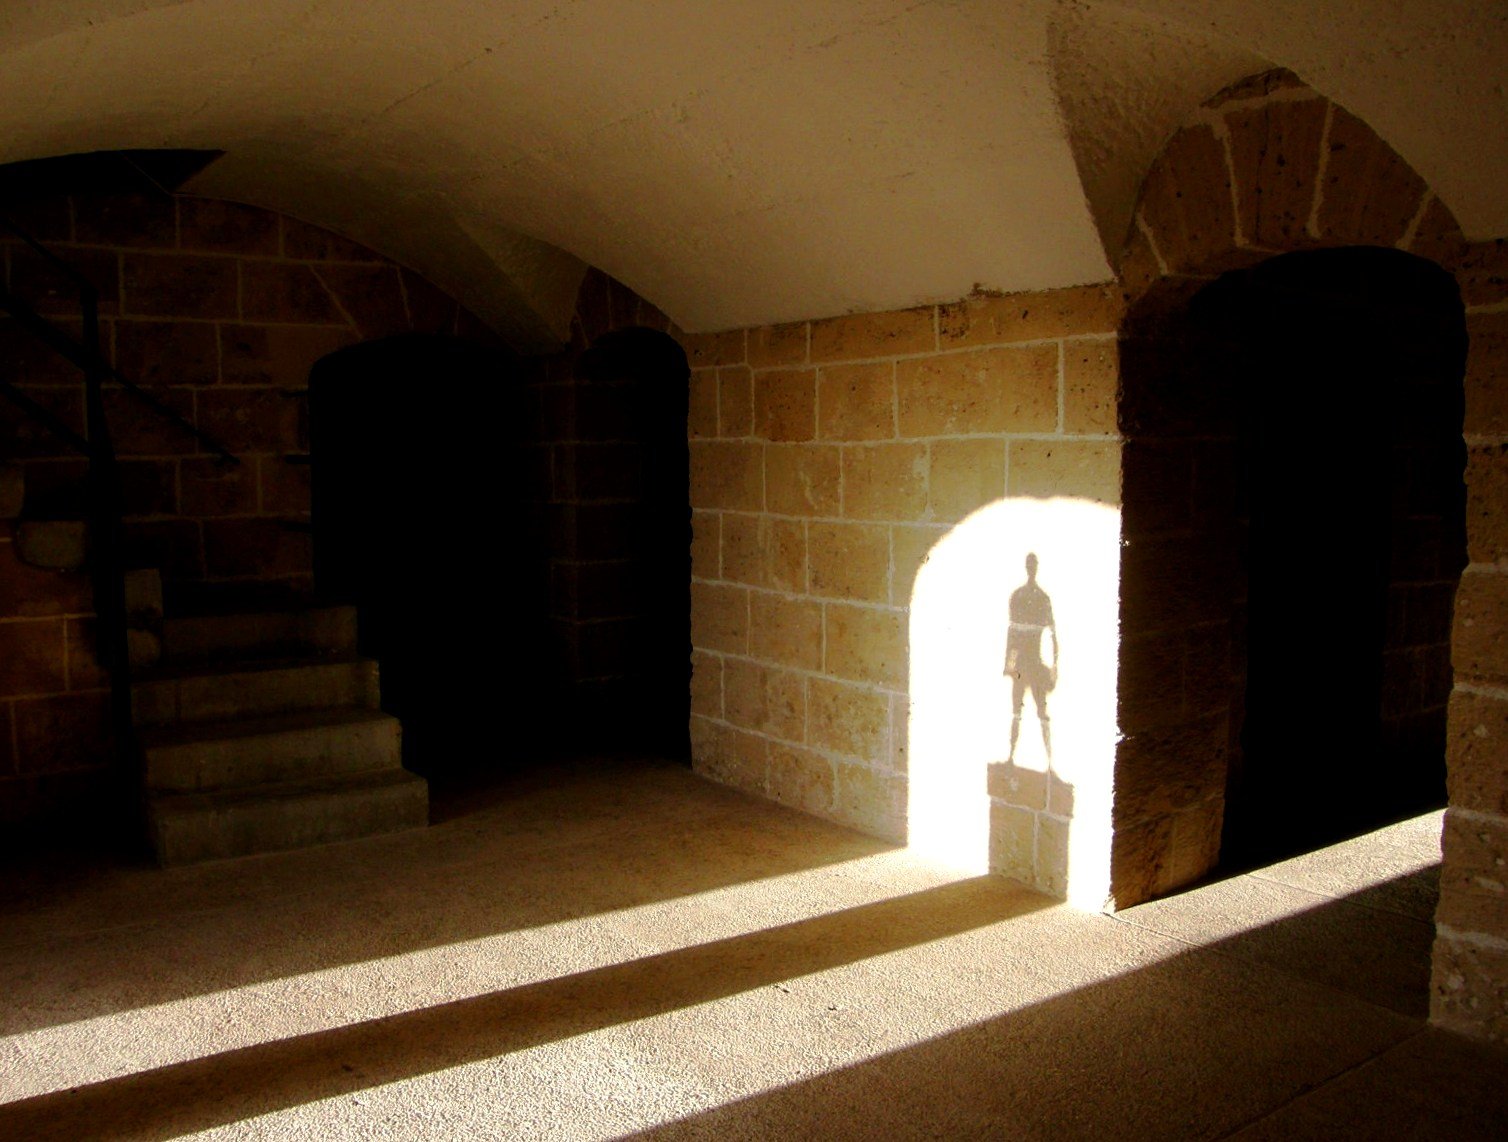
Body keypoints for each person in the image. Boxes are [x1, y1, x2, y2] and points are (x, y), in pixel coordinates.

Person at [1005, 552, 1057, 762]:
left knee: (1041, 712)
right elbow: (1012, 633)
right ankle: (1011, 756)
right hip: (1022, 664)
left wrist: (1054, 667)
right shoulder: (1018, 597)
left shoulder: (1042, 598)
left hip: (1034, 664)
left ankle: (1049, 760)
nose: (1031, 569)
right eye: (1030, 565)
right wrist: (1008, 664)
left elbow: (1053, 634)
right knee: (1017, 712)